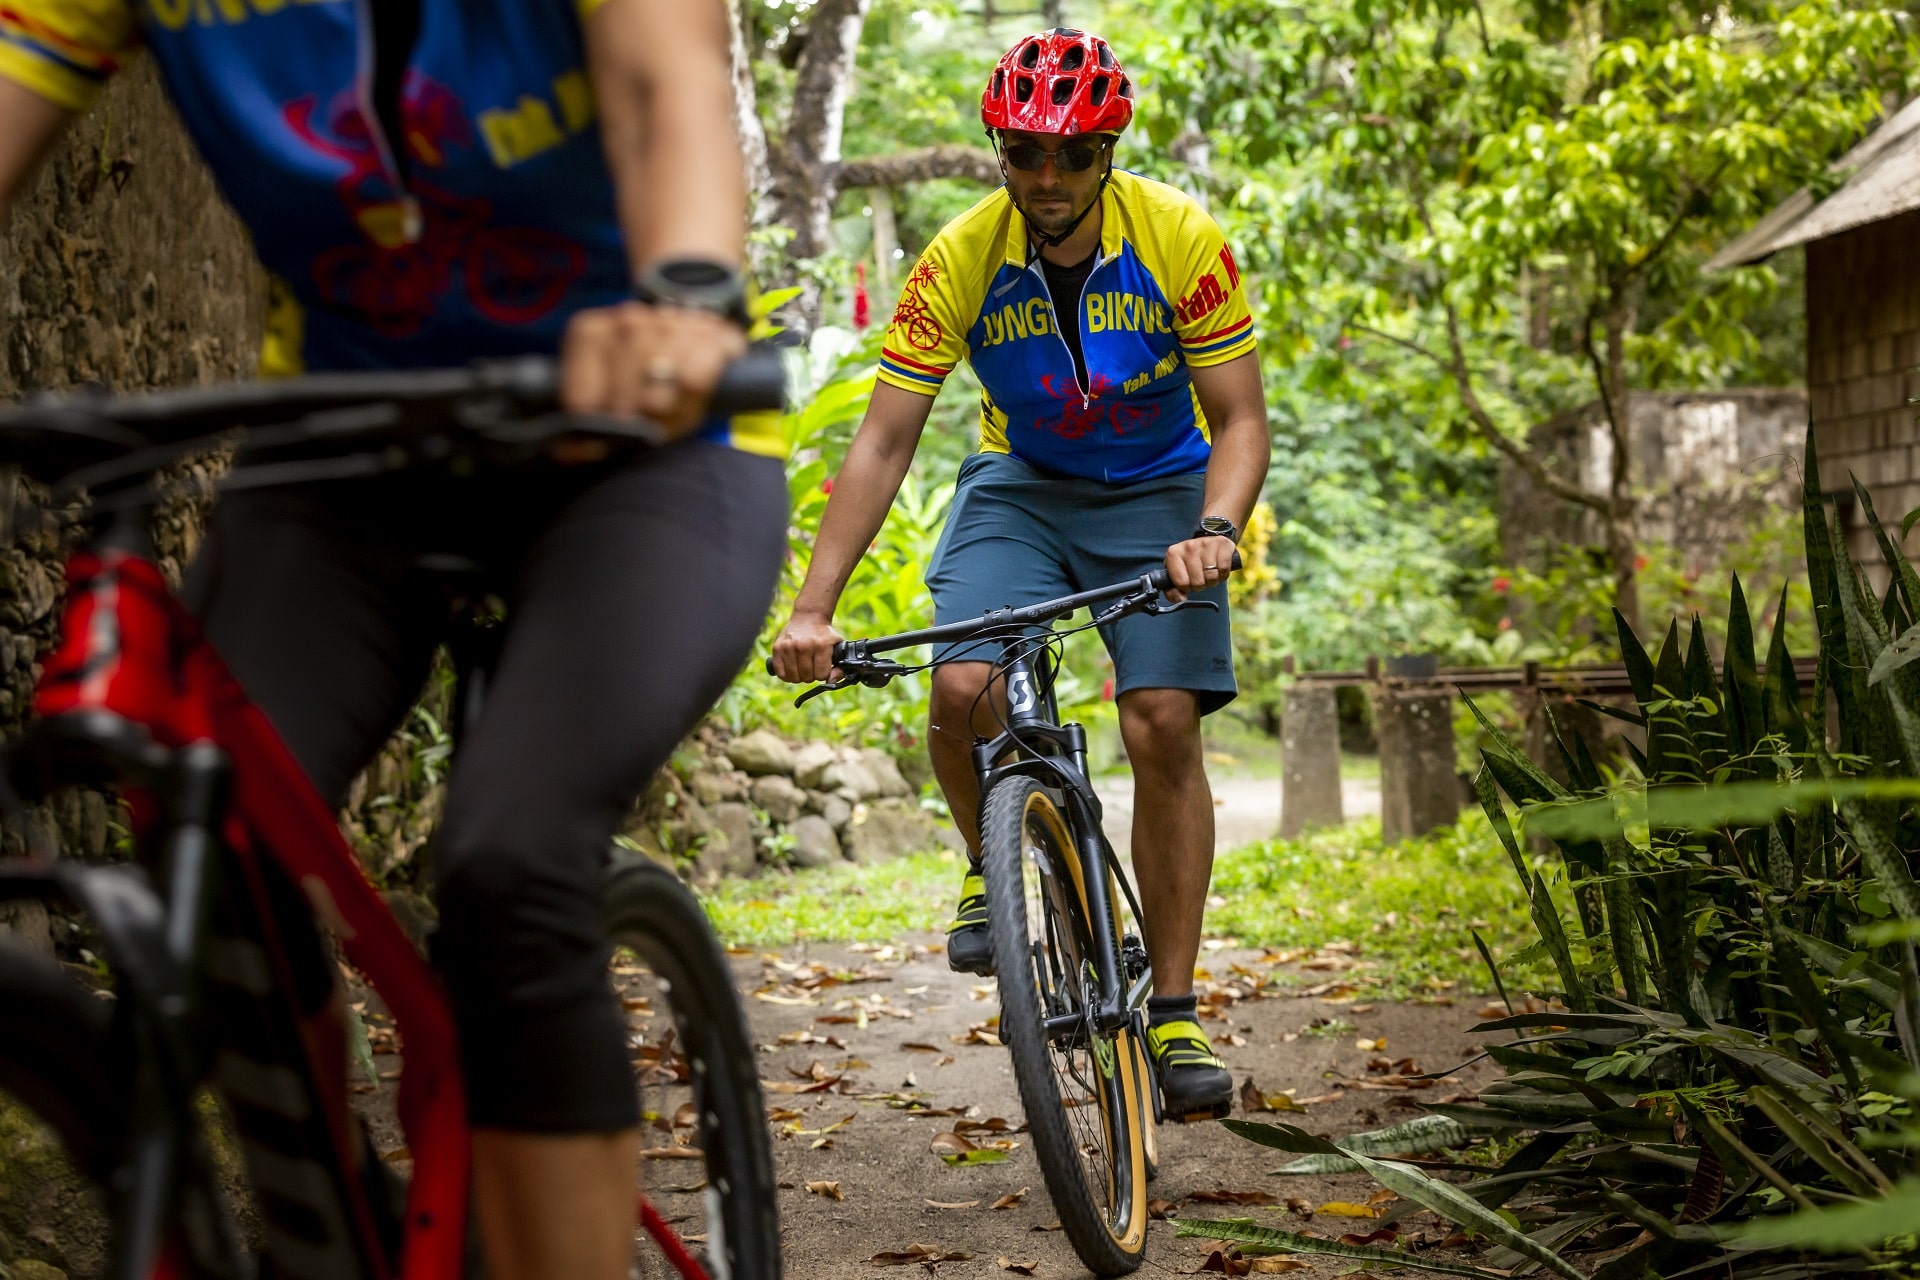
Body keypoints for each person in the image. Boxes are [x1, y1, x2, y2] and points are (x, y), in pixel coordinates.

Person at [0, 3, 784, 1277]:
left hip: (644, 445)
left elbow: (663, 86)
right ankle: (331, 1212)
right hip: (349, 451)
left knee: (512, 858)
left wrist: (685, 297)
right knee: (200, 820)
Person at [770, 27, 1269, 1122]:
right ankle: (985, 858)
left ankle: (1175, 1005)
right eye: (1024, 152)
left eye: (1073, 155)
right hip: (1024, 482)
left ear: (1108, 151)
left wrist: (1217, 527)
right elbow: (884, 440)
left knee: (1162, 717)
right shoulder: (957, 257)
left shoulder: (1180, 237)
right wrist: (814, 605)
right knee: (965, 687)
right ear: (999, 148)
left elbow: (1239, 417)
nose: (1047, 179)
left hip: (1163, 491)